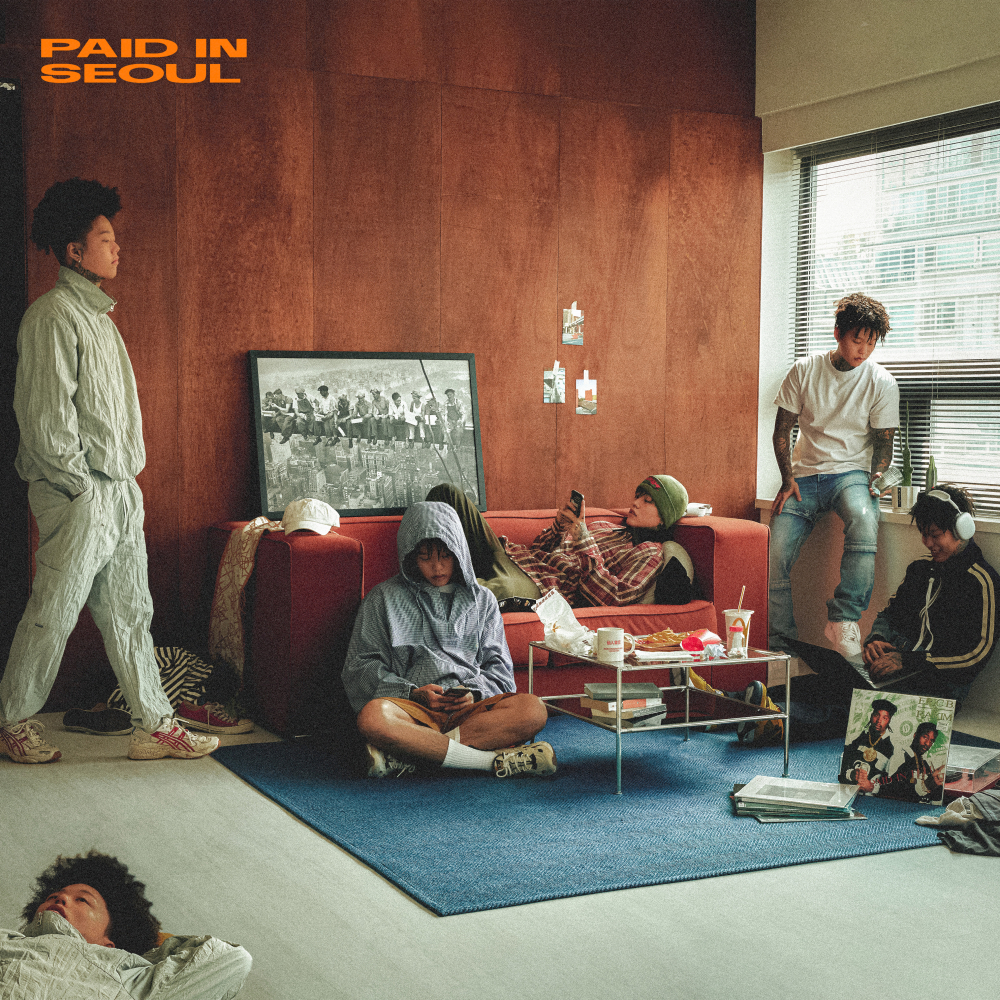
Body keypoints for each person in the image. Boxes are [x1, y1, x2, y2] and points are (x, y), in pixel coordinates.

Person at [0, 178, 219, 765]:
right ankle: (11, 719)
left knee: (131, 613)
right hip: (81, 493)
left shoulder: (99, 319)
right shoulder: (52, 316)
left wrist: (118, 489)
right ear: (75, 251)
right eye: (105, 239)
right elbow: (45, 422)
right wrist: (82, 491)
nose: (117, 248)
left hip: (119, 492)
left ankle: (156, 724)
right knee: (54, 610)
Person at [741, 486, 999, 744]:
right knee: (831, 680)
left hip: (939, 688)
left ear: (962, 529)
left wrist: (908, 662)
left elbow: (975, 655)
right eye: (924, 534)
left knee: (864, 709)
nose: (928, 543)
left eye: (935, 535)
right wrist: (876, 639)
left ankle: (773, 721)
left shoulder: (982, 582)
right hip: (896, 670)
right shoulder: (920, 571)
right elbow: (889, 615)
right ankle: (737, 700)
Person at [342, 500, 556, 779]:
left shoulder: (483, 600)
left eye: (446, 555)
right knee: (373, 717)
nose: (437, 567)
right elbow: (359, 667)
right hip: (413, 711)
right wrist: (411, 693)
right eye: (425, 557)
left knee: (533, 710)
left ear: (459, 552)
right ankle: (489, 761)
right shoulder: (382, 598)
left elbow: (500, 671)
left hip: (471, 712)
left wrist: (473, 692)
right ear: (410, 556)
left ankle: (416, 752)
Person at [769, 292, 898, 659]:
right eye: (857, 340)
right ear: (838, 333)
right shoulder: (805, 370)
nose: (863, 350)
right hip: (804, 477)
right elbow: (782, 431)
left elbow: (884, 444)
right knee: (773, 552)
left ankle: (843, 619)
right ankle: (780, 647)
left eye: (871, 342)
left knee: (864, 516)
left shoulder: (882, 382)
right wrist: (787, 479)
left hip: (850, 475)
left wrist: (877, 478)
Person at [2, 850, 251, 998]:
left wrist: (152, 954)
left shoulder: (130, 976)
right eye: (53, 897)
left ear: (108, 943)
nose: (61, 899)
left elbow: (232, 960)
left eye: (82, 900)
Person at [426, 475, 695, 608]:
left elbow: (613, 598)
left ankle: (423, 595)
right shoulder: (603, 527)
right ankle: (435, 569)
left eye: (647, 501)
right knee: (446, 494)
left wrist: (582, 539)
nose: (635, 503)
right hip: (513, 557)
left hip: (539, 588)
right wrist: (559, 527)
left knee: (491, 592)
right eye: (637, 496)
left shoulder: (649, 553)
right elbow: (538, 550)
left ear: (664, 519)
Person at [858, 721, 945, 802]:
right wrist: (926, 786)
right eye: (925, 737)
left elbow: (935, 798)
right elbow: (888, 789)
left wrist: (936, 786)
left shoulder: (925, 763)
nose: (927, 743)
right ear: (915, 735)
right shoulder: (900, 757)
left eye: (931, 741)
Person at [839, 698, 897, 786]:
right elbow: (843, 765)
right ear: (871, 716)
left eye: (884, 718)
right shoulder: (857, 737)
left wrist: (872, 786)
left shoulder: (890, 748)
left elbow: (888, 781)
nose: (879, 721)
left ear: (889, 721)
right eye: (876, 715)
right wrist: (851, 774)